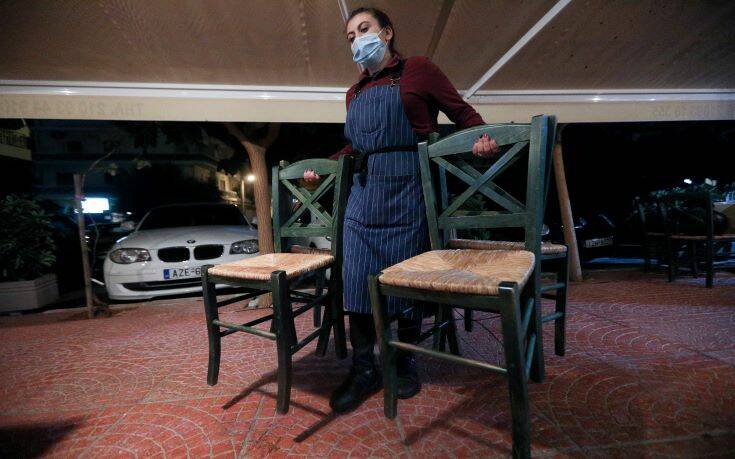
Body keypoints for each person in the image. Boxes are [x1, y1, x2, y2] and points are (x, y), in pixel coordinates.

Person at [304, 6, 499, 413]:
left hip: (410, 185)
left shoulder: (419, 69)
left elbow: (463, 114)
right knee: (357, 279)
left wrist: (481, 138)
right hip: (364, 191)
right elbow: (356, 146)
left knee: (406, 278)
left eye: (364, 29)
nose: (358, 40)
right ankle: (364, 368)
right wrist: (324, 167)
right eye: (351, 36)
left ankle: (404, 359)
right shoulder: (354, 93)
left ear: (387, 32)